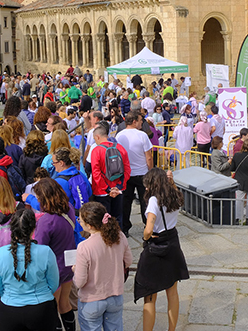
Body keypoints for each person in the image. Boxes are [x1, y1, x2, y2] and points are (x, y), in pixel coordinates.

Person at [134, 168, 189, 331]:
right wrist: (171, 181)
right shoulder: (174, 194)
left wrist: (145, 237)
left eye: (147, 185)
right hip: (172, 242)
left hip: (156, 245)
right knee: (172, 292)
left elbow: (149, 229)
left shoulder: (153, 200)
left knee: (149, 295)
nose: (145, 188)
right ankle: (172, 329)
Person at [0, 208, 60, 331]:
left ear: (12, 229)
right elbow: (53, 284)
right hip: (41, 308)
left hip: (10, 309)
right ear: (34, 228)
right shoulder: (46, 252)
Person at [73, 201, 133, 331]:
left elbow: (79, 282)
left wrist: (75, 270)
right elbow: (128, 261)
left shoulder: (84, 247)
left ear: (89, 225)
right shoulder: (119, 236)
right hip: (115, 295)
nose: (79, 222)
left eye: (80, 220)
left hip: (91, 300)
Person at [32, 178, 77, 331]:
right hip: (69, 263)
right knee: (65, 304)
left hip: (54, 268)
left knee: (52, 308)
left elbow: (39, 248)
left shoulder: (46, 221)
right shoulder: (69, 208)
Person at [116, 111, 153, 236]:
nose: (142, 122)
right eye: (140, 120)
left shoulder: (119, 136)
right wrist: (151, 171)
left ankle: (124, 227)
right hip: (142, 172)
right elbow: (148, 157)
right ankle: (147, 225)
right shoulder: (142, 135)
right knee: (145, 201)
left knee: (125, 202)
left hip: (125, 174)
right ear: (134, 121)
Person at [89, 122, 131, 227]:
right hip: (119, 188)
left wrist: (107, 189)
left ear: (97, 137)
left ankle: (106, 241)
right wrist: (118, 187)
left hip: (102, 191)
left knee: (104, 219)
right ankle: (119, 239)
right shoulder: (120, 148)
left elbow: (96, 173)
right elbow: (127, 169)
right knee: (118, 217)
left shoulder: (96, 150)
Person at [230, 139, 248, 226]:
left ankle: (237, 218)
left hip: (240, 181)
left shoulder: (236, 156)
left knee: (239, 200)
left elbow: (232, 168)